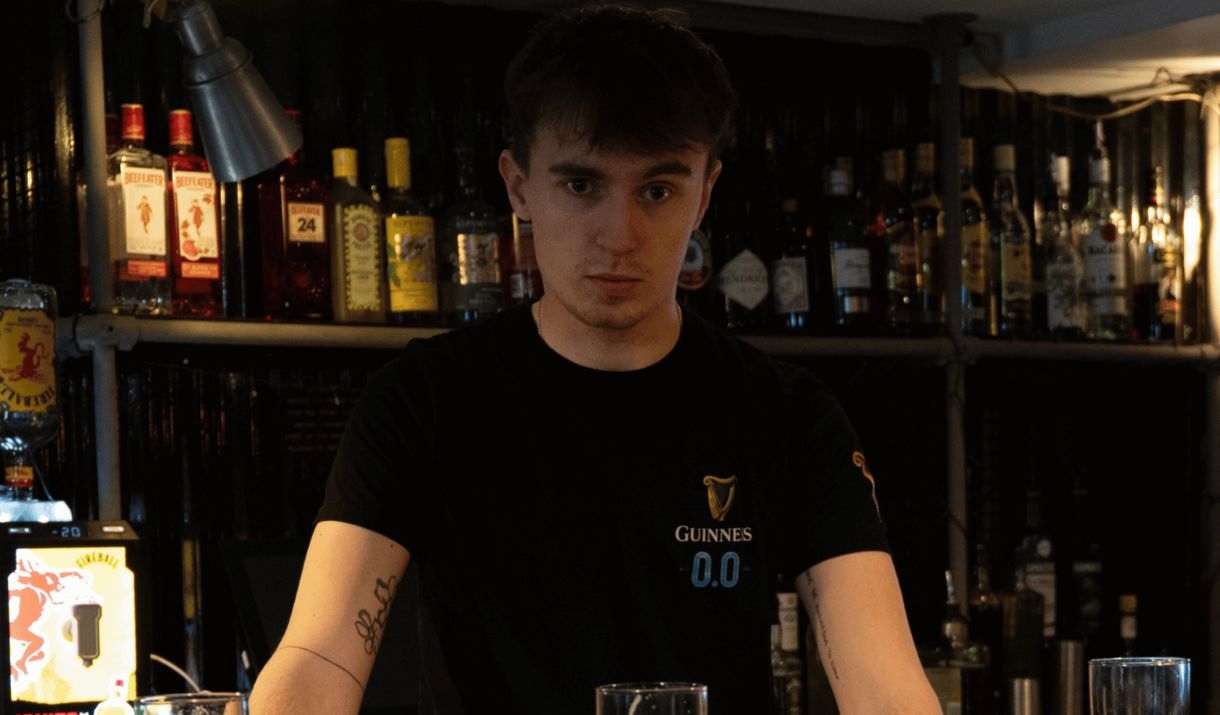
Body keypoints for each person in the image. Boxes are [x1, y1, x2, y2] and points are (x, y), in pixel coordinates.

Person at [249, 3, 942, 714]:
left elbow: (882, 678)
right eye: (581, 185)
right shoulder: (424, 401)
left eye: (657, 190)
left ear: (705, 193)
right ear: (518, 185)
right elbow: (319, 653)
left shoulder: (788, 414)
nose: (619, 233)